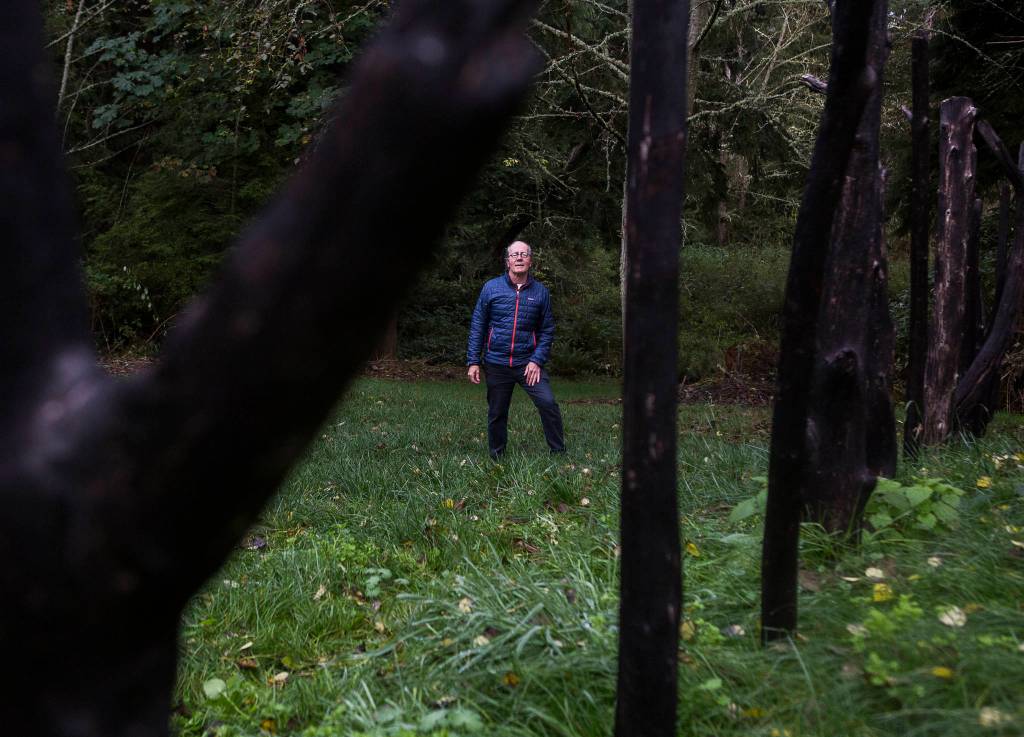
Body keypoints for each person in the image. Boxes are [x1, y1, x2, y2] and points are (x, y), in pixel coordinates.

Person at [466, 241, 566, 458]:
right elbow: (478, 325)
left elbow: (547, 330)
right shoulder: (491, 288)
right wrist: (473, 361)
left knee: (548, 403)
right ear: (507, 261)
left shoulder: (541, 293)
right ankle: (497, 457)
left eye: (524, 254)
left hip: (527, 363)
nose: (519, 258)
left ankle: (558, 452)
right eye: (514, 255)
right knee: (497, 412)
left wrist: (537, 360)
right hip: (496, 363)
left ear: (530, 261)